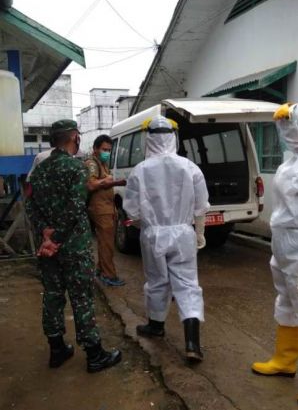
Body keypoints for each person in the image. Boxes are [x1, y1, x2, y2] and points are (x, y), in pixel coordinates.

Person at [25, 119, 121, 372]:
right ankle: (94, 354)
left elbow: (30, 205)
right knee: (81, 299)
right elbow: (75, 207)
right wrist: (56, 239)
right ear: (74, 138)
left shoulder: (40, 169)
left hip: (48, 248)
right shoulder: (76, 168)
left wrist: (45, 233)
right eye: (77, 135)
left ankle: (57, 350)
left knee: (53, 296)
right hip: (74, 247)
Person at [123, 115, 210, 362]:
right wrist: (200, 233)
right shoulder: (190, 167)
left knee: (157, 281)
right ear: (174, 138)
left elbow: (132, 211)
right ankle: (192, 344)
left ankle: (156, 325)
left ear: (148, 139)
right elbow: (201, 206)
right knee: (188, 283)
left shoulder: (140, 169)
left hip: (153, 234)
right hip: (183, 233)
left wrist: (148, 227)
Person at [252, 103, 298, 381]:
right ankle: (285, 359)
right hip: (283, 239)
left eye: (288, 124)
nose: (284, 131)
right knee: (286, 298)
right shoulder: (290, 160)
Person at [85, 135, 126, 287]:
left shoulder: (102, 163)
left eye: (109, 150)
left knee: (105, 242)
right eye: (104, 149)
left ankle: (101, 269)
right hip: (100, 209)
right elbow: (91, 184)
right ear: (95, 149)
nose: (107, 152)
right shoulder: (92, 163)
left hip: (106, 207)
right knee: (107, 243)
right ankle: (108, 275)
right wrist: (115, 182)